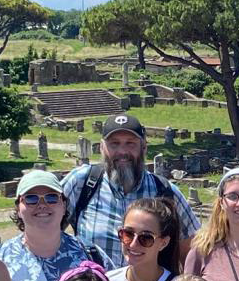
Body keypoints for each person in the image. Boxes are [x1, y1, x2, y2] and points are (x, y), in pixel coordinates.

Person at [62, 113, 198, 267]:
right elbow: (45, 230)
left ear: (144, 147)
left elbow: (191, 254)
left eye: (130, 143)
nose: (122, 152)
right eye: (114, 143)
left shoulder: (166, 192)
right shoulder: (82, 183)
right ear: (101, 148)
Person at [0, 170, 107, 281]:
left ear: (63, 205)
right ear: (18, 208)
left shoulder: (90, 253)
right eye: (31, 198)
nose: (42, 204)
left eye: (51, 197)